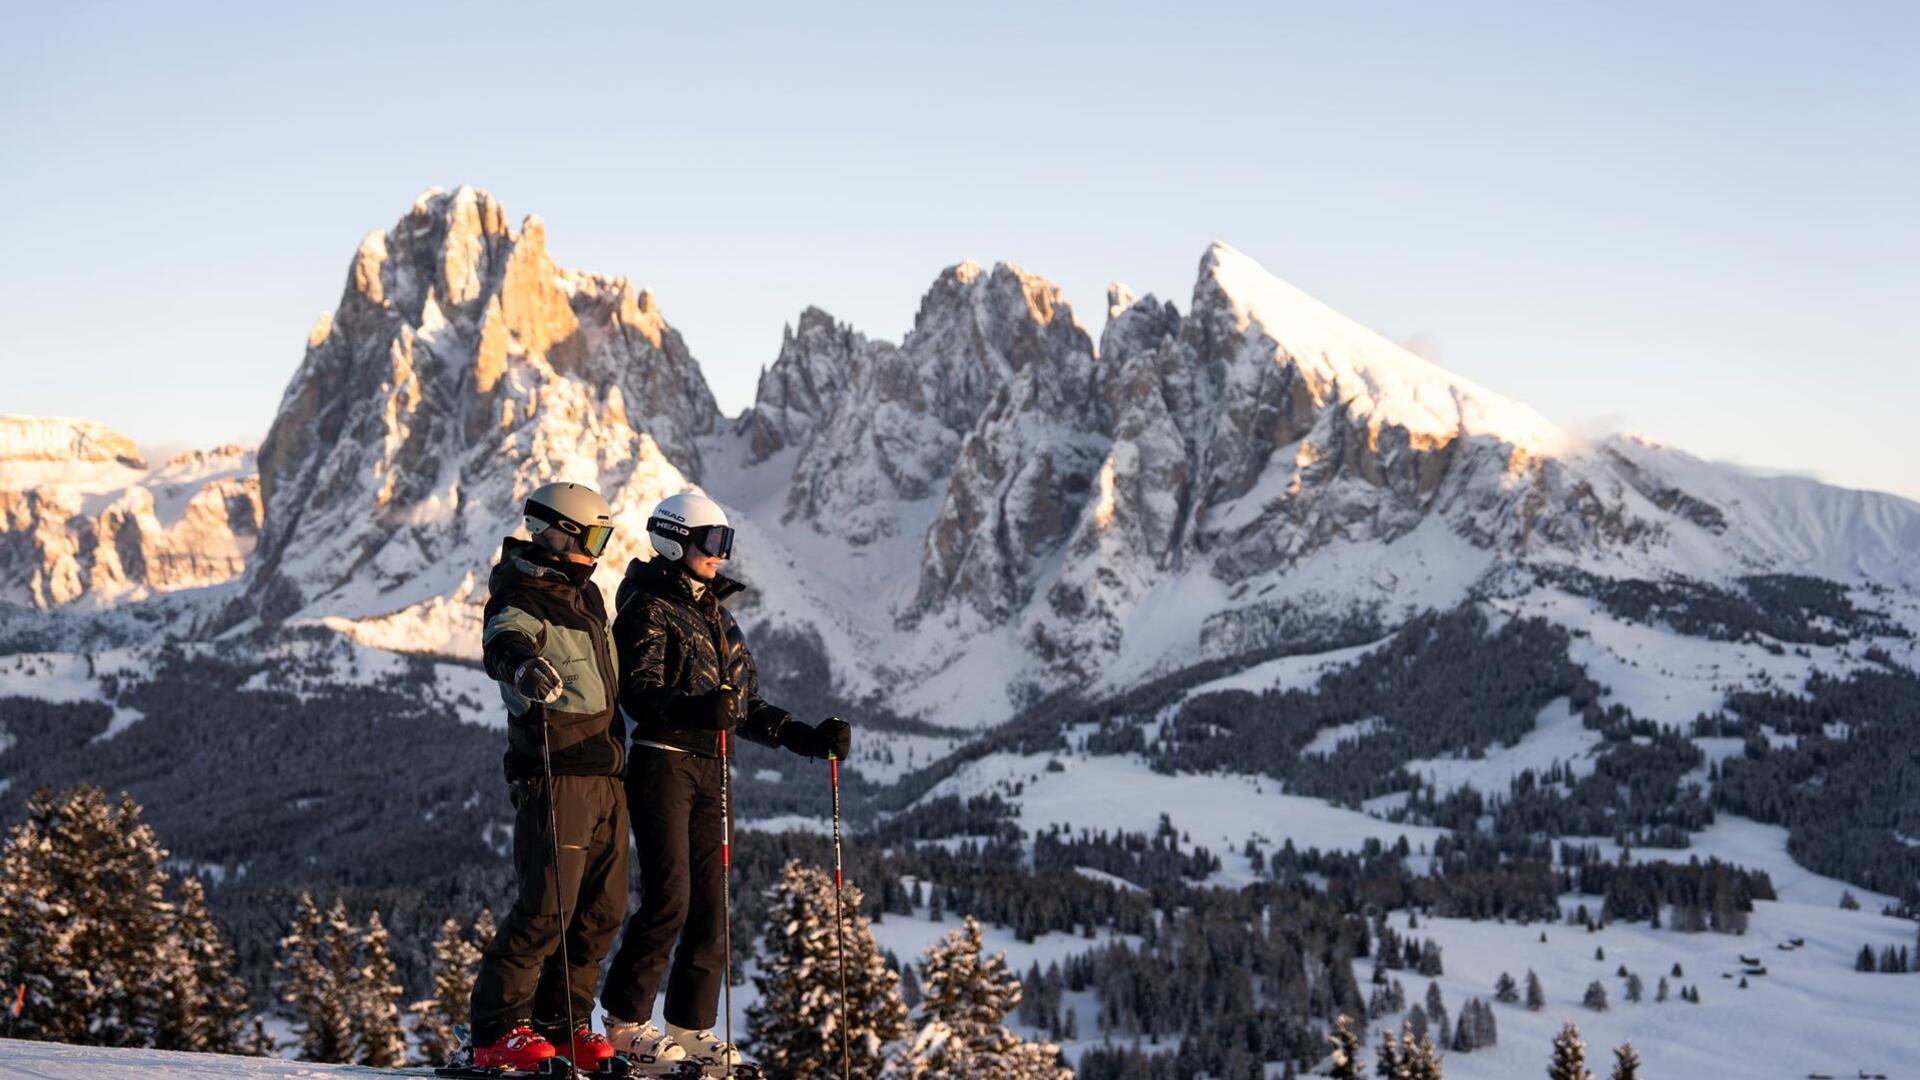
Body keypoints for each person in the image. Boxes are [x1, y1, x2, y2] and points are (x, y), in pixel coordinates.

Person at [601, 491, 852, 1071]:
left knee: (712, 905)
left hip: (713, 766)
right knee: (671, 896)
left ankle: (689, 1027)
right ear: (673, 539)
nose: (722, 556)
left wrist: (804, 738)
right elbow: (638, 690)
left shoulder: (719, 615)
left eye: (726, 543)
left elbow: (741, 704)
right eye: (712, 543)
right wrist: (694, 711)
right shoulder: (646, 604)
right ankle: (623, 1022)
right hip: (662, 759)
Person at [467, 482, 627, 1072]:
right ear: (556, 532)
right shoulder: (520, 592)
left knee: (601, 910)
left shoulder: (587, 596)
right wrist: (524, 664)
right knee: (547, 906)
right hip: (555, 771)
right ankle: (496, 1033)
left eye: (605, 537)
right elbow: (500, 642)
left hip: (607, 772)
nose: (599, 550)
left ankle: (563, 1025)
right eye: (592, 536)